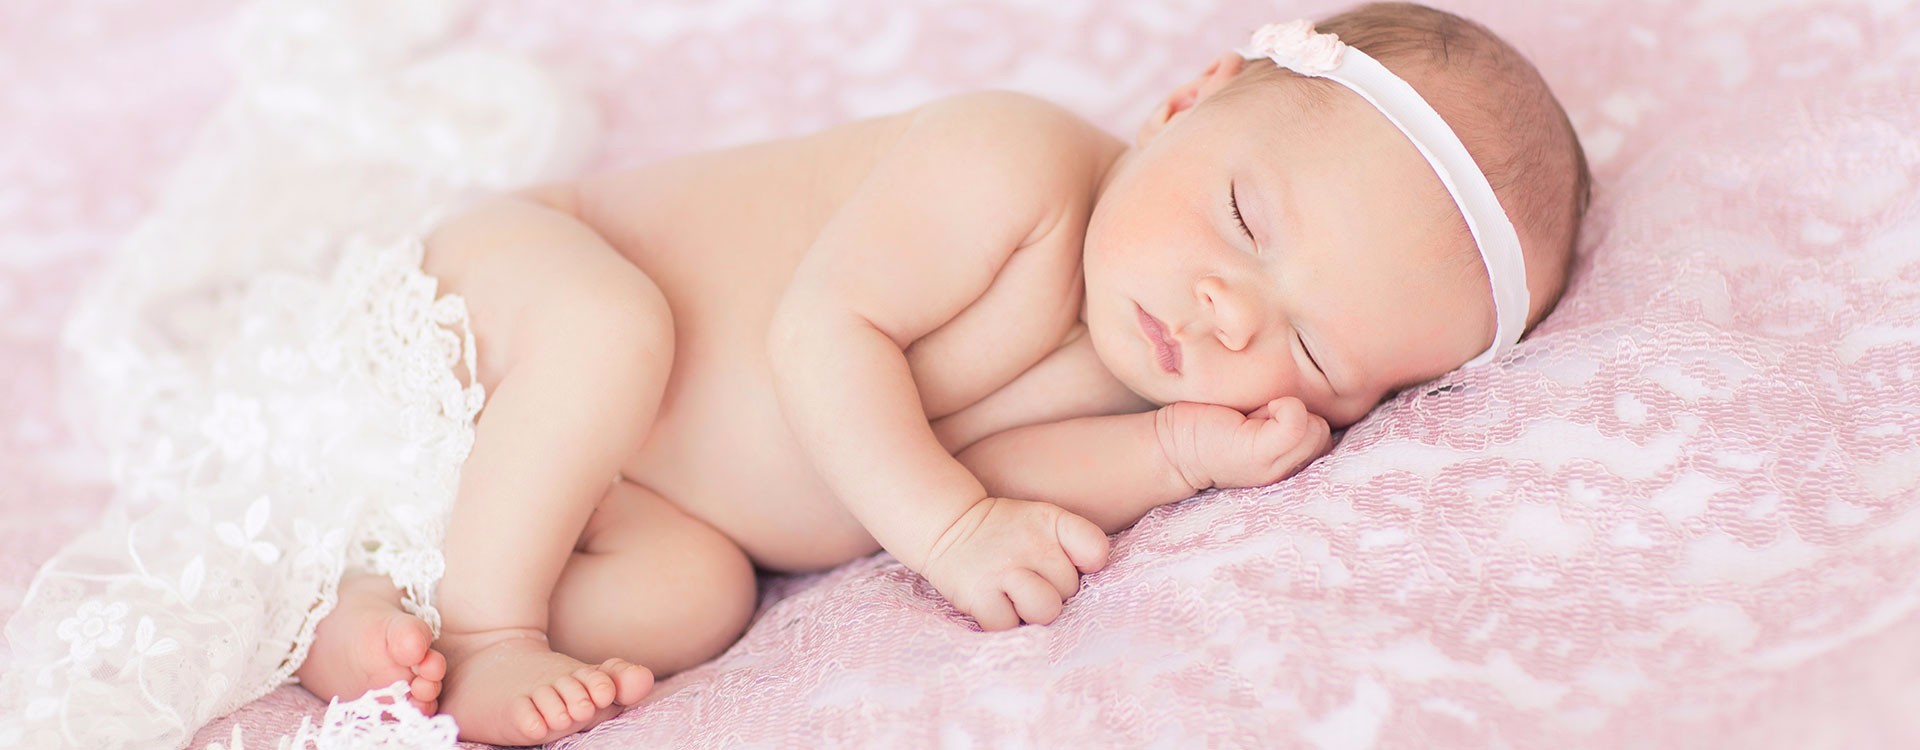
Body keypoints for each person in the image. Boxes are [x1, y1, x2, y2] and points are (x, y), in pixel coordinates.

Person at [10, 2, 1590, 747]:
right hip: (521, 290)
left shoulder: (1136, 362)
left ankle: (374, 608)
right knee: (615, 341)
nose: (1231, 313)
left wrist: (1182, 452)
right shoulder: (1016, 163)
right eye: (1247, 219)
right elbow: (821, 345)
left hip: (623, 487)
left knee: (699, 594)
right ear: (1193, 97)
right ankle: (489, 630)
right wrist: (953, 536)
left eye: (1312, 350)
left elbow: (994, 468)